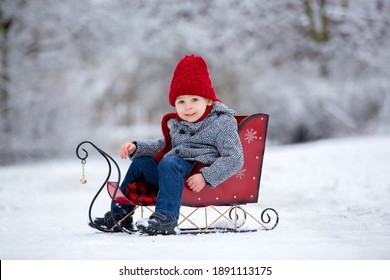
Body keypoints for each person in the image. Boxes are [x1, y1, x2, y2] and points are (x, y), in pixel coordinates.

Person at [92, 54, 244, 235]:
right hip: (171, 176)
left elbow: (235, 158)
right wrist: (138, 147)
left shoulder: (222, 123)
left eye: (194, 100)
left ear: (208, 101)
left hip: (195, 176)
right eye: (181, 101)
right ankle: (120, 216)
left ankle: (166, 218)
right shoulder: (180, 124)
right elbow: (165, 146)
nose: (187, 107)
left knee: (170, 162)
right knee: (141, 163)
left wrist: (206, 176)